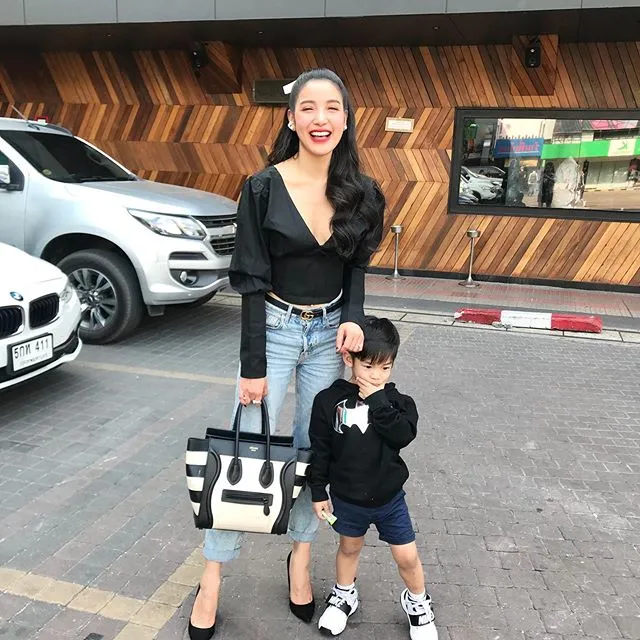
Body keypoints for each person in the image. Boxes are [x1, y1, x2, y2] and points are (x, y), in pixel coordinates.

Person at [188, 68, 384, 640]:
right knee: (242, 447)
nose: (320, 119)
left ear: (345, 119)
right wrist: (253, 367)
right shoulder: (262, 187)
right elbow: (250, 279)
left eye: (332, 108)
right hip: (272, 329)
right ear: (291, 118)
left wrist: (352, 318)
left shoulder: (362, 191)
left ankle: (300, 556)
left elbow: (356, 265)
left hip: (328, 334)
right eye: (308, 108)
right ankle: (212, 575)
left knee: (313, 447)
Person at [309, 317, 438, 640]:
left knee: (407, 556)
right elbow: (320, 449)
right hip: (346, 499)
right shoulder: (328, 401)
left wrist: (378, 400)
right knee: (348, 549)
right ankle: (344, 595)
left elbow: (402, 435)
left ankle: (417, 603)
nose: (376, 375)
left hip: (389, 500)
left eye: (385, 368)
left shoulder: (399, 403)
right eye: (368, 366)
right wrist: (318, 491)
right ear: (349, 359)